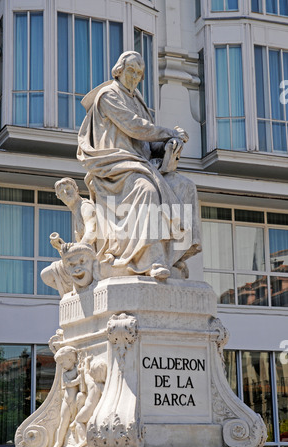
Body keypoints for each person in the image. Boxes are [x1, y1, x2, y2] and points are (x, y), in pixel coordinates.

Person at [77, 51, 201, 280]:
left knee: (185, 186)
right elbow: (135, 127)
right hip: (115, 165)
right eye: (131, 71)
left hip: (140, 163)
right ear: (119, 70)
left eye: (139, 73)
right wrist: (169, 132)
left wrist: (168, 146)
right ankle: (151, 260)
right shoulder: (108, 95)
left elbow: (145, 142)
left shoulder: (137, 100)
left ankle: (174, 256)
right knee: (146, 189)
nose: (134, 77)